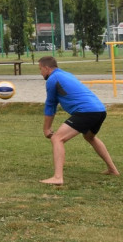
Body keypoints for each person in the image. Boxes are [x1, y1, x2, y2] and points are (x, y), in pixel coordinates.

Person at [38, 56, 119, 185]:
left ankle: (58, 178)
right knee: (89, 137)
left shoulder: (53, 79)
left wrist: (46, 129)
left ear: (47, 68)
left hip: (86, 111)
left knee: (57, 138)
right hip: (100, 110)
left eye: (40, 69)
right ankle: (113, 169)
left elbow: (50, 105)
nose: (40, 72)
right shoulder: (66, 74)